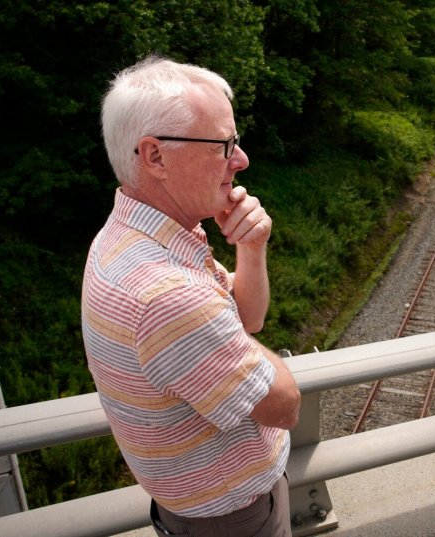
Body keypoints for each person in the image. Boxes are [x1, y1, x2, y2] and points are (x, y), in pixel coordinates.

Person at [81, 55, 301, 537]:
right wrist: (239, 348)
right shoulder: (168, 296)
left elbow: (247, 319)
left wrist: (251, 247)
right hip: (234, 518)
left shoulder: (130, 238)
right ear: (155, 156)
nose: (241, 160)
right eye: (224, 144)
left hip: (195, 507)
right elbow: (285, 404)